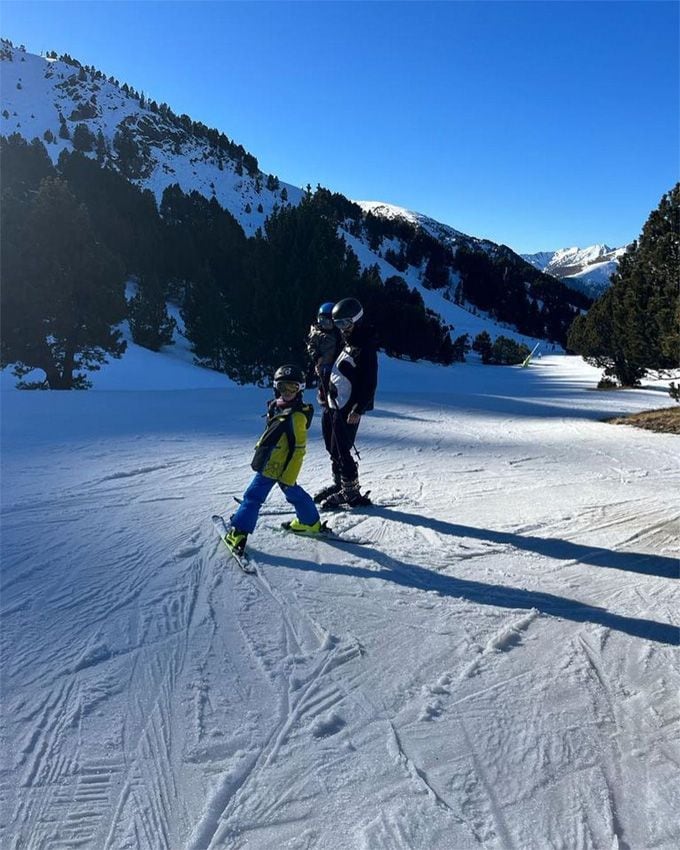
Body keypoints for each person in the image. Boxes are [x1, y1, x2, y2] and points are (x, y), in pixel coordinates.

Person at [225, 364, 322, 555]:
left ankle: (239, 532)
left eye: (292, 388)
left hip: (275, 465)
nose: (287, 392)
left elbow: (299, 450)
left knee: (253, 496)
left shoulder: (297, 417)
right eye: (283, 387)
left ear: (300, 389)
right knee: (293, 492)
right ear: (276, 387)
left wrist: (289, 474)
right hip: (274, 462)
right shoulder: (277, 407)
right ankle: (310, 522)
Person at [317, 297, 378, 509]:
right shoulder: (348, 341)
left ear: (356, 320)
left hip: (349, 406)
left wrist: (358, 408)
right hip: (334, 402)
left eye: (345, 324)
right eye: (338, 324)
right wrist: (323, 389)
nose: (341, 329)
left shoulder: (365, 346)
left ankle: (351, 493)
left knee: (342, 448)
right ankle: (339, 484)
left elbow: (369, 382)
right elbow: (336, 369)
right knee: (331, 445)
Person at [306, 302, 342, 405]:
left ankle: (335, 400)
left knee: (336, 383)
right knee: (325, 382)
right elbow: (311, 346)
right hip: (324, 364)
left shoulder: (337, 333)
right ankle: (324, 399)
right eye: (321, 321)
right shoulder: (317, 333)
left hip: (336, 364)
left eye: (327, 322)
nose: (324, 325)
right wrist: (317, 356)